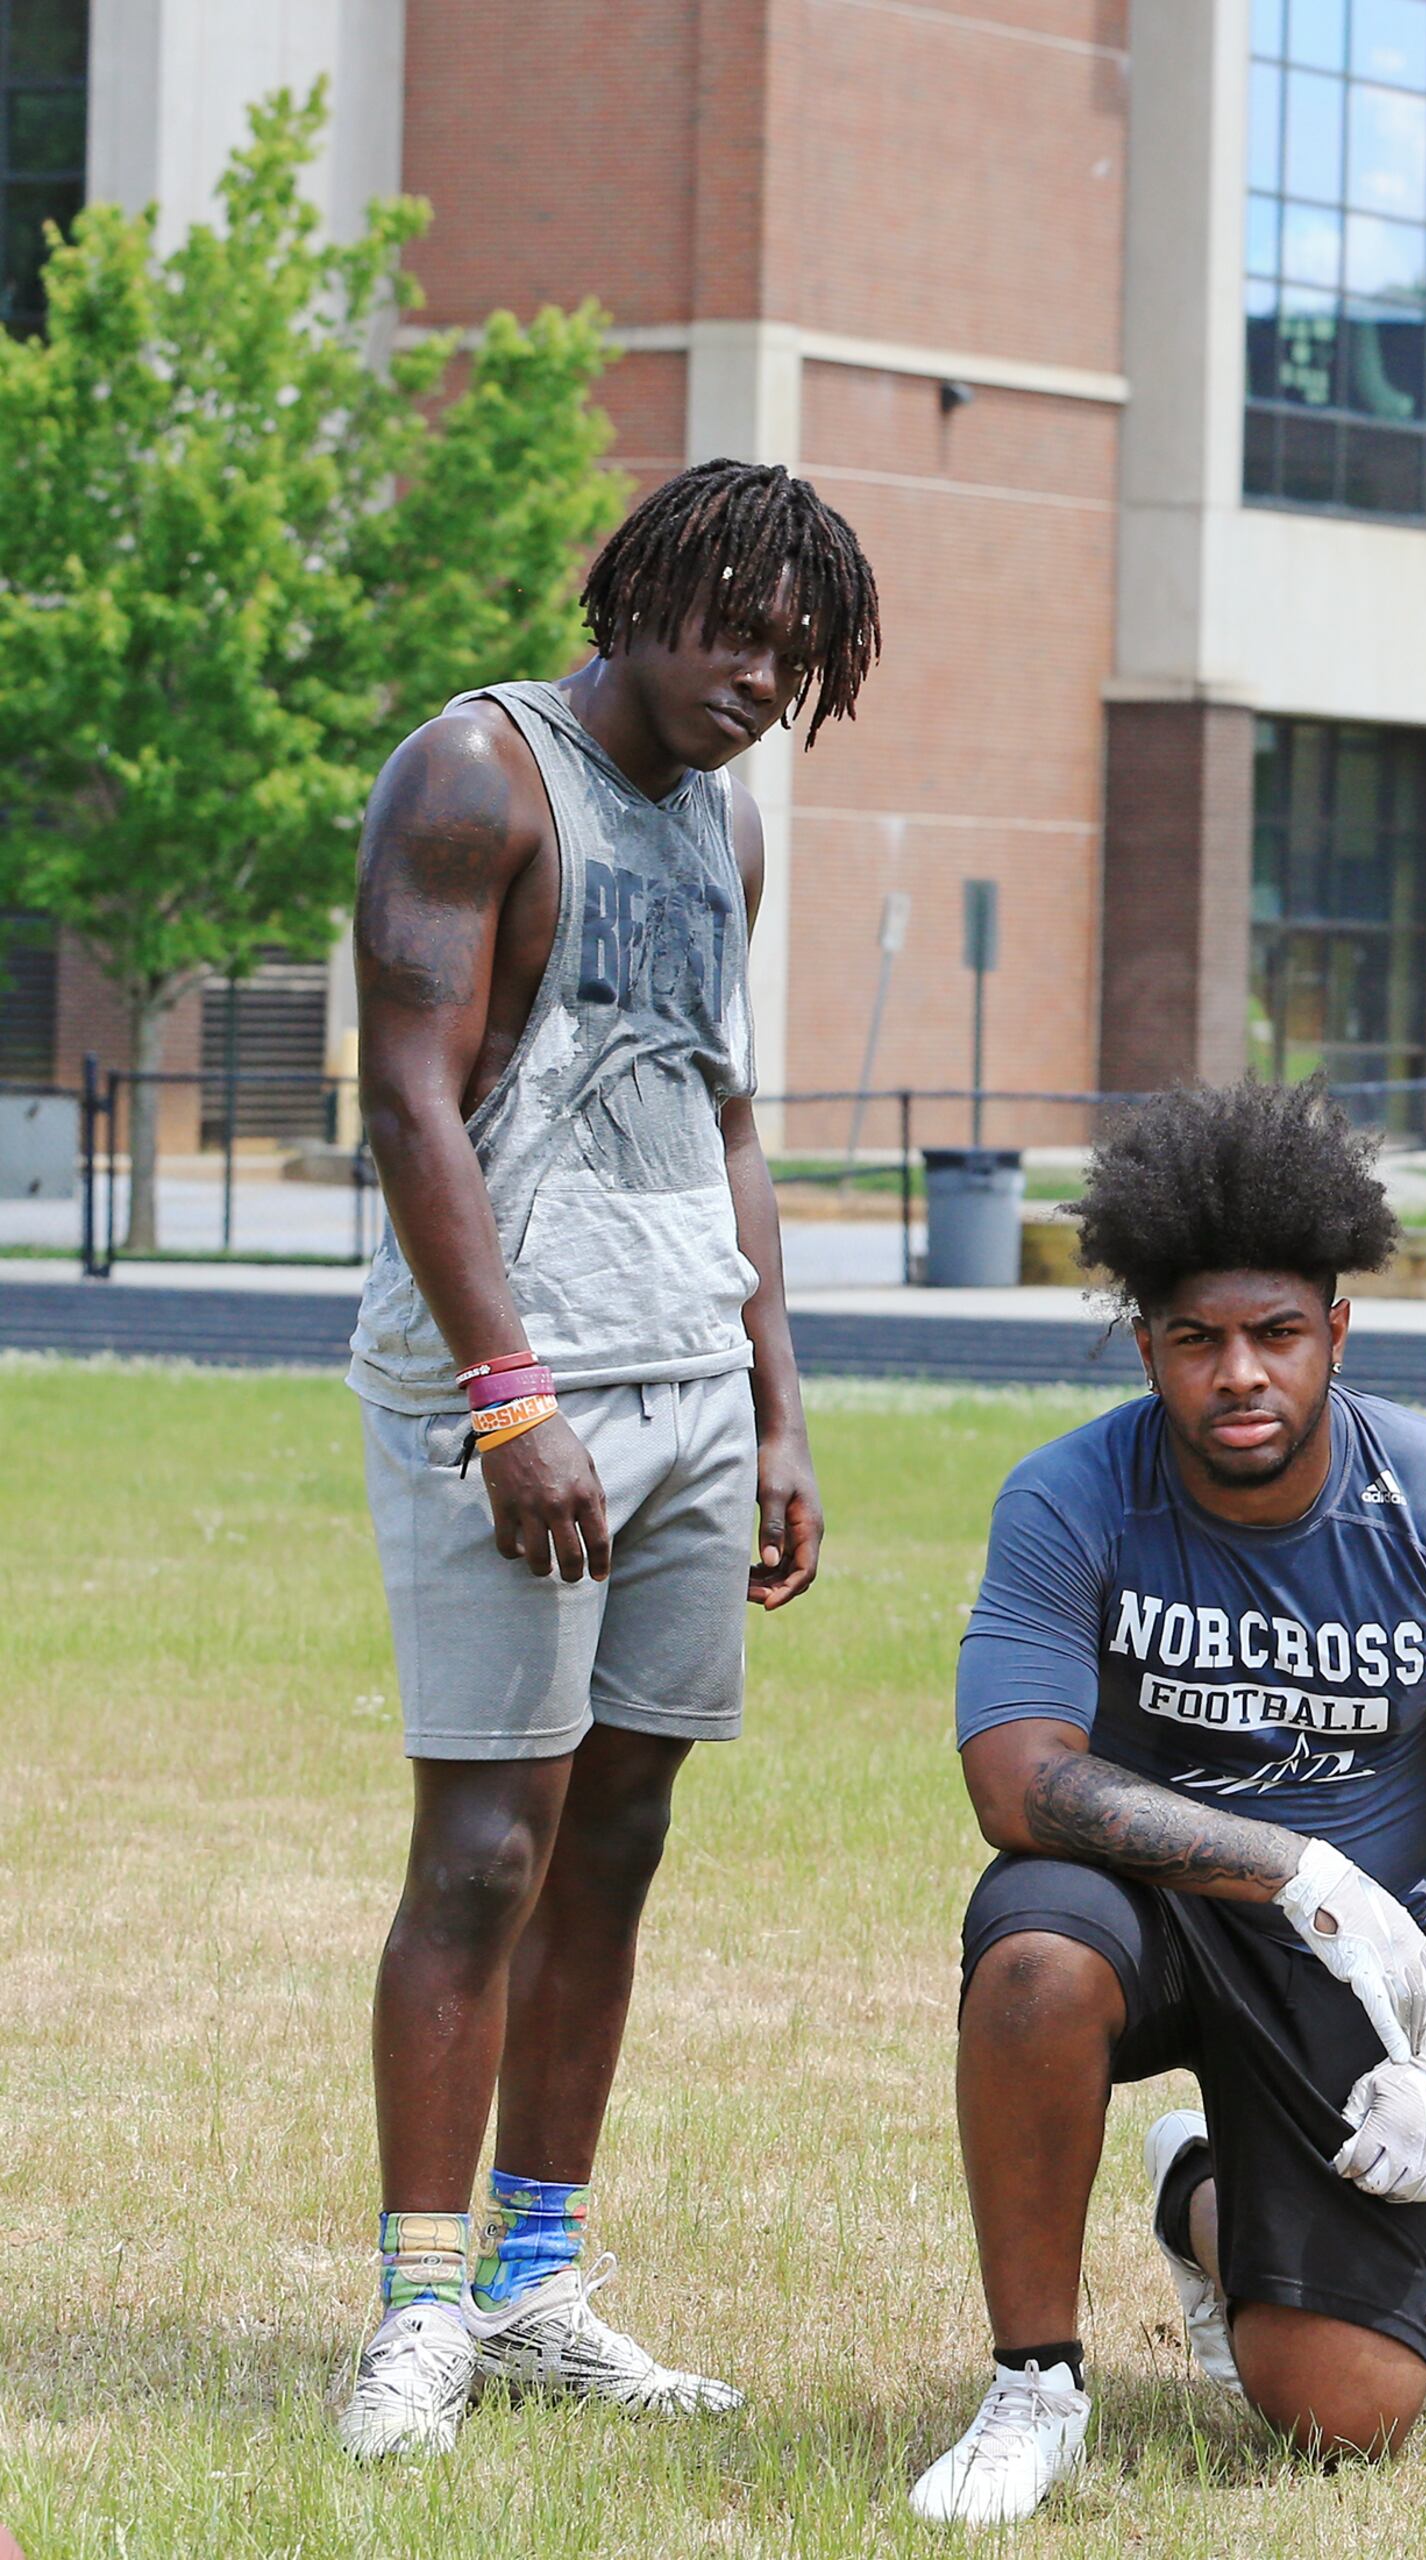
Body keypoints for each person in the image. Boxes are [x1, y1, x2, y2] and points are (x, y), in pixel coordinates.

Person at [336, 459, 877, 2461]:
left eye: (796, 655)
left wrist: (780, 1397)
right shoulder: (479, 774)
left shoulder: (724, 821)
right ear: (635, 595)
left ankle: (539, 2274)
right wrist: (507, 1394)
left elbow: (721, 1111)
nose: (759, 676)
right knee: (485, 1844)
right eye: (732, 629)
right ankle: (416, 2295)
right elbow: (409, 1097)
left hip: (683, 1382)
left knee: (622, 1834)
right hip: (512, 1389)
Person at [911, 1081, 1426, 2524]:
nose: (1240, 1375)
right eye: (1197, 1340)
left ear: (1336, 1333)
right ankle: (1034, 2385)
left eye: (1277, 1335)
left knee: (1344, 2417)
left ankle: (1198, 2202)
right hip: (1141, 1916)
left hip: (1349, 1966)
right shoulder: (1071, 1496)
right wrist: (1293, 1863)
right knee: (1031, 1958)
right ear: (1146, 1343)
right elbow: (1016, 1782)